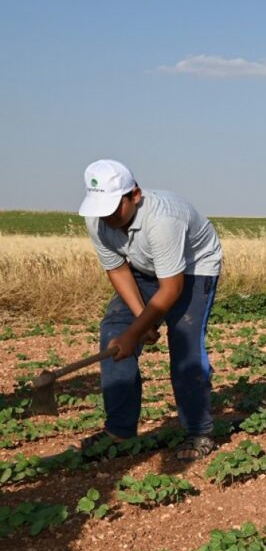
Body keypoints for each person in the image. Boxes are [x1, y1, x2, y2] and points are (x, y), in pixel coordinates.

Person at [78, 159, 223, 461]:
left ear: (135, 195)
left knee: (184, 343)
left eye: (114, 207)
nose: (107, 217)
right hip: (143, 269)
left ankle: (198, 430)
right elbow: (117, 269)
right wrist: (137, 326)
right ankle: (119, 431)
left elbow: (171, 288)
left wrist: (136, 333)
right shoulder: (97, 219)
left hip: (194, 269)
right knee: (114, 332)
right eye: (100, 209)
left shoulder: (163, 219)